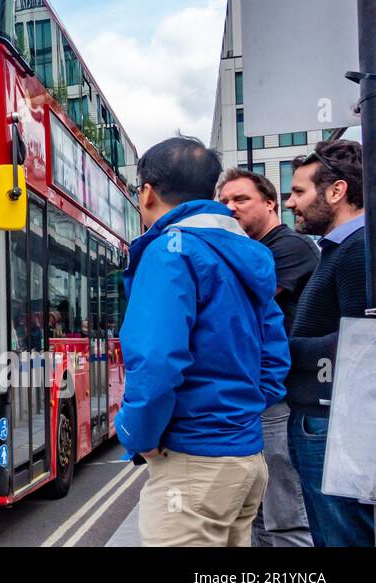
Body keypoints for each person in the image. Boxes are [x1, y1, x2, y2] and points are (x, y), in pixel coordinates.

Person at [117, 136, 288, 547]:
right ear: (211, 192)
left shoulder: (169, 251)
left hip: (192, 464)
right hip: (245, 458)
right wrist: (235, 415)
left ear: (146, 192)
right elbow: (274, 359)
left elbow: (156, 360)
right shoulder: (247, 254)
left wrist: (137, 435)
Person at [217, 167, 317, 547]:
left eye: (241, 199)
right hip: (263, 397)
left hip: (284, 399)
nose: (230, 208)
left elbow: (239, 305)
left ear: (270, 203)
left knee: (285, 515)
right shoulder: (252, 251)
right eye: (224, 202)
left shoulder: (288, 247)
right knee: (259, 514)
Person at [283, 139, 375, 547]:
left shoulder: (358, 249)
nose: (290, 203)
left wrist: (283, 352)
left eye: (299, 191)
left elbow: (363, 344)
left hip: (335, 424)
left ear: (336, 191)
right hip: (328, 419)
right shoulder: (342, 249)